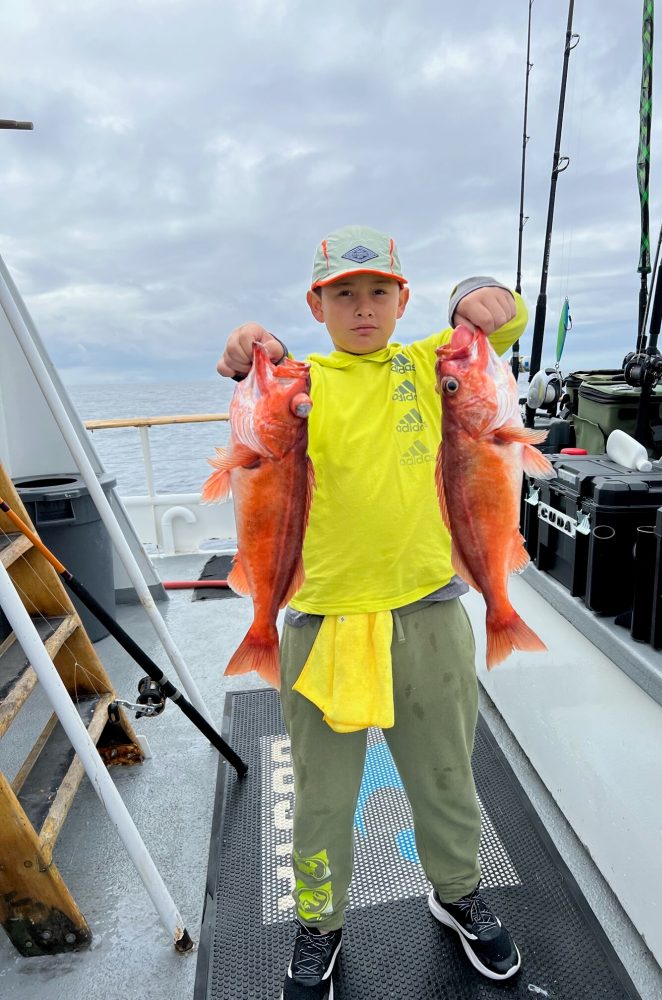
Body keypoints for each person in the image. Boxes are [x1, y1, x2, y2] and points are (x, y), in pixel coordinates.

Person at [217, 225, 527, 1000]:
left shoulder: (431, 367)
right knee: (322, 797)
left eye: (378, 292)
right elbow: (261, 366)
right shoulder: (305, 381)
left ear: (403, 300)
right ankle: (320, 920)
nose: (363, 307)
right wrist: (255, 344)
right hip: (321, 623)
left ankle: (456, 895)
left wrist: (476, 297)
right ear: (318, 304)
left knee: (446, 777)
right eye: (344, 293)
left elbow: (499, 323)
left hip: (428, 614)